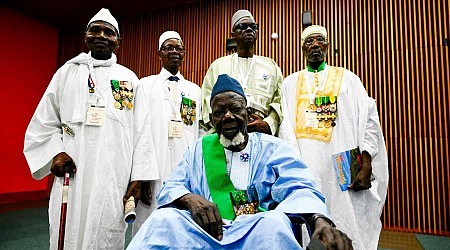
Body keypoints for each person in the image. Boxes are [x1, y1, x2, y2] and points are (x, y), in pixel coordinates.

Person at [128, 74, 353, 250]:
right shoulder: (197, 149)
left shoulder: (273, 148)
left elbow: (301, 188)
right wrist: (190, 199)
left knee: (274, 224)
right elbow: (173, 185)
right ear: (211, 118)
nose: (227, 116)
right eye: (219, 112)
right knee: (162, 219)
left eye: (234, 109)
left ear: (247, 112)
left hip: (255, 229)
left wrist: (319, 220)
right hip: (205, 231)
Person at [23, 8, 158, 249]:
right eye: (95, 30)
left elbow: (142, 132)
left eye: (109, 32)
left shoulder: (130, 79)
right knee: (67, 233)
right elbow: (44, 122)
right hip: (73, 176)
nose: (102, 36)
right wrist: (56, 152)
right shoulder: (66, 73)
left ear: (118, 41)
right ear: (85, 36)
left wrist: (138, 179)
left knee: (106, 232)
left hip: (113, 178)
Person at [279, 25, 389, 250]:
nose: (315, 45)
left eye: (320, 41)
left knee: (348, 224)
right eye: (309, 42)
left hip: (344, 169)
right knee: (310, 221)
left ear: (328, 46)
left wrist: (367, 161)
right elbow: (285, 129)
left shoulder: (349, 79)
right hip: (307, 167)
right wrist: (295, 168)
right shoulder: (290, 83)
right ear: (302, 49)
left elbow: (369, 118)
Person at [133, 31, 202, 235]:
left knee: (183, 226)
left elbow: (199, 133)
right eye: (168, 48)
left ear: (184, 54)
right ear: (159, 54)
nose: (174, 51)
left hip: (184, 168)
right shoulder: (144, 85)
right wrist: (141, 175)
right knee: (150, 224)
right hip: (153, 170)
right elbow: (139, 131)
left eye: (178, 48)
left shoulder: (194, 90)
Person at [200, 9, 283, 136]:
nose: (248, 29)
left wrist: (268, 124)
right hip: (226, 134)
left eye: (253, 26)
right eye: (242, 26)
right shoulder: (218, 65)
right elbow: (206, 102)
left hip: (262, 135)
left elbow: (279, 101)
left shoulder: (271, 66)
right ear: (233, 34)